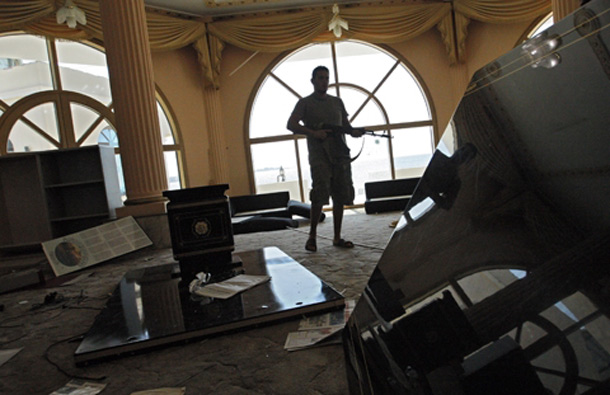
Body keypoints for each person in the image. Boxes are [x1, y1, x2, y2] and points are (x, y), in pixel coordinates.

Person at [287, 65, 363, 252]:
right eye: (320, 78)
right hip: (319, 155)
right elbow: (291, 124)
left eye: (326, 78)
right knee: (319, 195)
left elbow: (345, 125)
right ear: (313, 80)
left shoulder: (337, 102)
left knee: (340, 194)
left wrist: (354, 132)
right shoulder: (304, 103)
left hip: (340, 155)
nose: (324, 81)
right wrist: (314, 133)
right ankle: (312, 237)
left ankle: (337, 237)